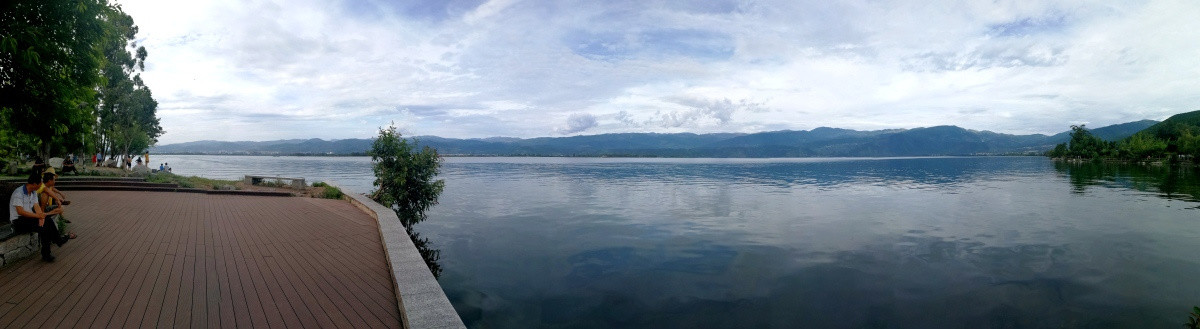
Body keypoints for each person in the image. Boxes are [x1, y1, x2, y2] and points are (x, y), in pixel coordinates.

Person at [10, 172, 67, 262]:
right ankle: (52, 247)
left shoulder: (33, 193)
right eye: (40, 184)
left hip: (28, 218)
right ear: (34, 184)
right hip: (18, 221)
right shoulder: (19, 193)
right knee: (44, 227)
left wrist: (41, 217)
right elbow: (20, 211)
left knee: (47, 221)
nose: (41, 186)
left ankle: (54, 245)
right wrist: (38, 216)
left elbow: (36, 206)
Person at [39, 171, 76, 240]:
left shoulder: (47, 186)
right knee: (46, 195)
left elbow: (51, 191)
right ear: (50, 181)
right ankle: (43, 214)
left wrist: (58, 198)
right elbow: (48, 192)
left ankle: (46, 214)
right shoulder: (43, 187)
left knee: (60, 209)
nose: (55, 181)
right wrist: (58, 199)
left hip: (45, 208)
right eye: (54, 180)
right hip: (39, 209)